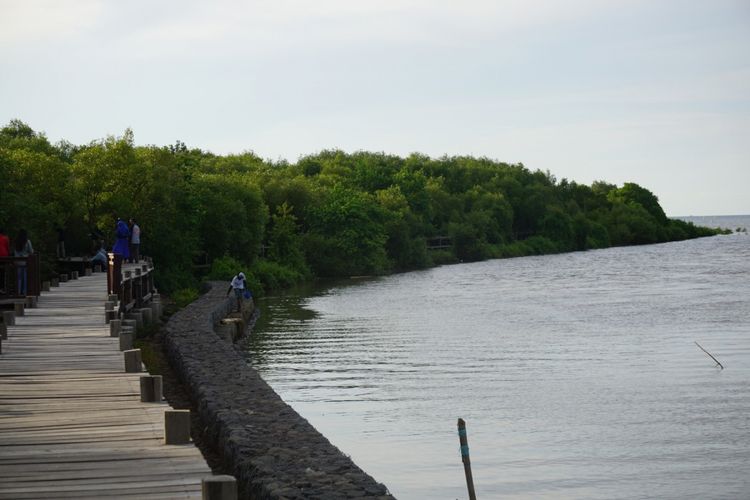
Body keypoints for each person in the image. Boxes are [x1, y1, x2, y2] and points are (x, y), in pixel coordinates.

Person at [14, 229, 33, 296]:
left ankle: (18, 292)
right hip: (25, 262)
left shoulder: (16, 241)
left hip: (18, 262)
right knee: (25, 277)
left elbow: (15, 252)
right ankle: (25, 292)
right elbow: (31, 252)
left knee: (19, 277)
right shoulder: (27, 241)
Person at [0, 227, 10, 293]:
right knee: (3, 272)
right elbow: (7, 248)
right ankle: (2, 288)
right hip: (4, 256)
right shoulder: (6, 238)